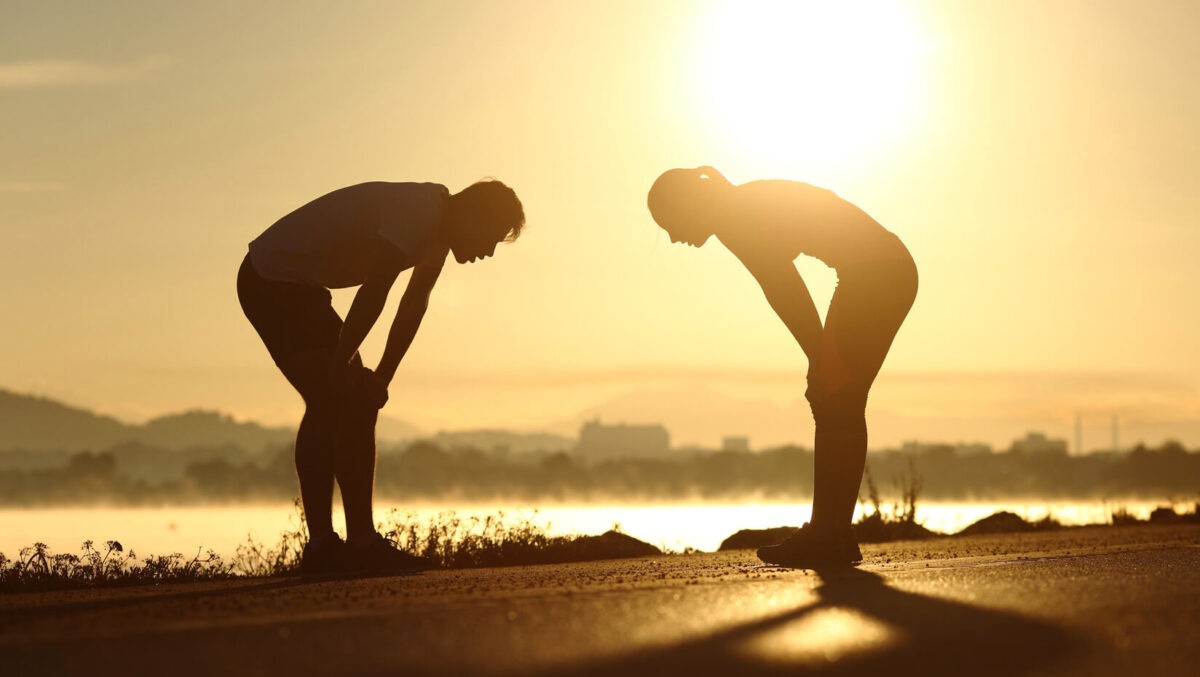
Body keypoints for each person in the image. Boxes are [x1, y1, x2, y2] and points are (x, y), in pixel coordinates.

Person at [237, 179, 524, 575]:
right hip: (271, 278)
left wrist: (381, 380)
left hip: (299, 287)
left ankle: (358, 544)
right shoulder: (420, 211)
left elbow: (413, 306)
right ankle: (327, 547)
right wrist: (340, 365)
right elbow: (377, 288)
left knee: (356, 400)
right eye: (490, 238)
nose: (488, 252)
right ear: (475, 216)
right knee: (330, 398)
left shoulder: (439, 231)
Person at [647, 166, 917, 568]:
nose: (672, 237)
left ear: (689, 204)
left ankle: (829, 535)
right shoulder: (735, 204)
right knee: (840, 399)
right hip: (886, 270)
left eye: (670, 223)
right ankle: (835, 535)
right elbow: (783, 285)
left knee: (834, 397)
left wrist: (817, 358)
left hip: (875, 274)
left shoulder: (732, 214)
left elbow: (784, 288)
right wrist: (819, 358)